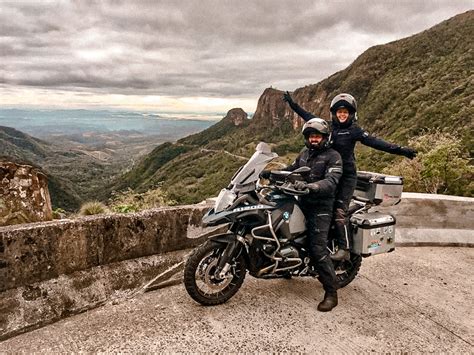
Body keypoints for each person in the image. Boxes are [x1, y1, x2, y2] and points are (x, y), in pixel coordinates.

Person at [283, 92, 417, 261]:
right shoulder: (329, 127)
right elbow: (308, 117)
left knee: (340, 210)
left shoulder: (354, 130)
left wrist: (401, 150)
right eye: (339, 112)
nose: (342, 115)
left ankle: (343, 247)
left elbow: (376, 142)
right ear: (334, 113)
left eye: (345, 112)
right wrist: (293, 104)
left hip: (346, 177)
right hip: (328, 173)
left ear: (351, 114)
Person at [264, 117, 343, 312]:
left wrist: (311, 186)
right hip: (302, 202)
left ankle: (331, 293)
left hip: (322, 206)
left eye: (317, 136)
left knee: (317, 248)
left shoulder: (333, 156)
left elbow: (331, 181)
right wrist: (270, 173)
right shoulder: (304, 154)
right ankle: (289, 264)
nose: (314, 139)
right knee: (284, 234)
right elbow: (290, 170)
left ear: (325, 137)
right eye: (310, 136)